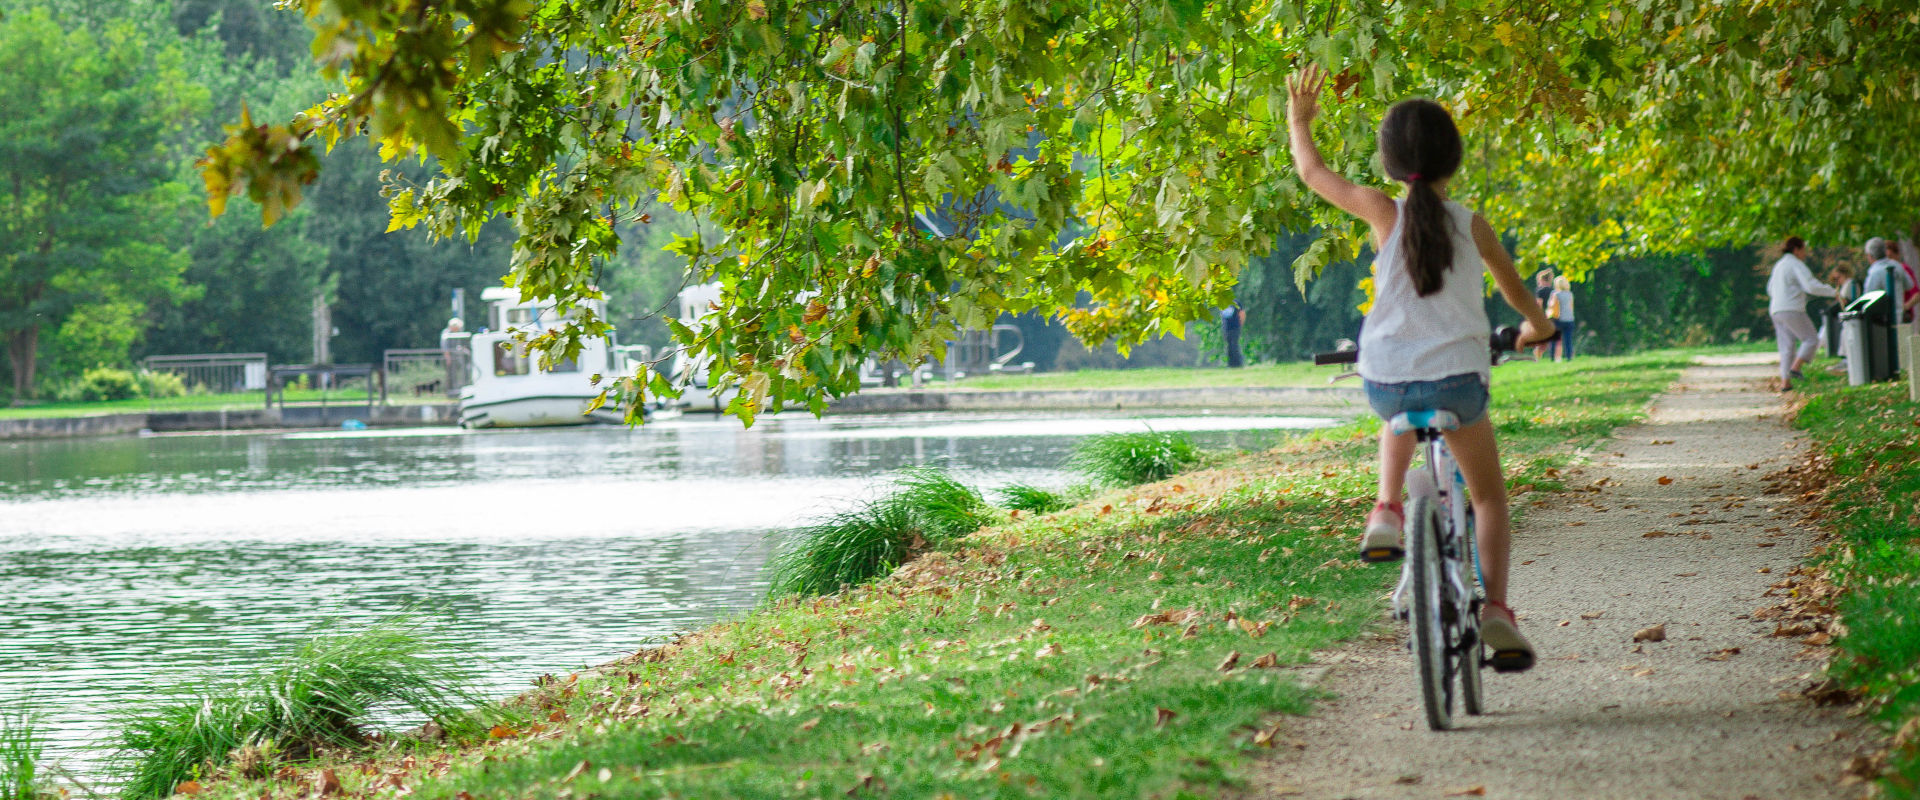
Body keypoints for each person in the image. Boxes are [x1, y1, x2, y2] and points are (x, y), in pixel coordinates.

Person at [1286, 64, 1555, 671]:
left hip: (1386, 377)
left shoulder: (1381, 212)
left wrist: (1300, 120)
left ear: (1388, 162)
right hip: (1460, 383)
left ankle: (1386, 509)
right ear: (1452, 160)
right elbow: (1517, 297)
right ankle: (1497, 611)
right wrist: (1538, 329)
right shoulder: (1473, 225)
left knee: (1397, 407)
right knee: (1487, 498)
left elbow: (1311, 172)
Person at [1766, 236, 1836, 391]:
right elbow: (1810, 286)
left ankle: (1785, 383)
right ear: (1796, 249)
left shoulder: (1779, 265)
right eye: (1804, 250)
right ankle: (1796, 368)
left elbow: (1770, 289)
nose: (1806, 254)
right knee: (1811, 338)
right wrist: (1833, 292)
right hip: (1792, 309)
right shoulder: (1795, 264)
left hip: (1776, 309)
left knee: (1786, 347)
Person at [1864, 237, 1919, 324]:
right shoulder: (1898, 266)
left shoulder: (1874, 272)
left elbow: (1868, 296)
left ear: (1870, 256)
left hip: (1884, 320)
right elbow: (1909, 285)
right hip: (1900, 316)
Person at [1548, 276, 1577, 361]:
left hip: (1558, 319)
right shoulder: (1570, 294)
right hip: (1569, 319)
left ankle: (1552, 357)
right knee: (1568, 340)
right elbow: (1571, 307)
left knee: (1554, 339)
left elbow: (1552, 305)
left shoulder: (1555, 294)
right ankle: (1569, 357)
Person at [1532, 270, 1555, 358]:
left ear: (1542, 280)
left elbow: (1539, 304)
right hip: (1552, 315)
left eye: (1538, 280)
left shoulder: (1540, 291)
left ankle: (1537, 357)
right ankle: (1554, 356)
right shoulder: (1553, 290)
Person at [1221, 303, 1246, 367]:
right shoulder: (1220, 302)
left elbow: (1242, 314)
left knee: (1234, 345)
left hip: (1235, 328)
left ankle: (1238, 364)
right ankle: (1231, 364)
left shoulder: (1236, 302)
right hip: (1227, 329)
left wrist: (1240, 325)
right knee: (1229, 346)